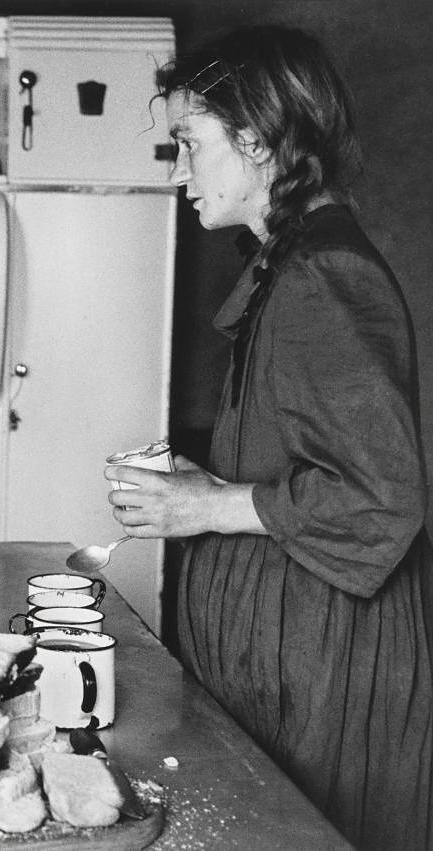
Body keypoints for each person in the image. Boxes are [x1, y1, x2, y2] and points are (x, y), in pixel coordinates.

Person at [104, 26, 432, 851]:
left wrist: (209, 504)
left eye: (189, 142)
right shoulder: (292, 263)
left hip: (331, 676)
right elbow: (303, 458)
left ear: (257, 138)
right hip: (295, 668)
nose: (177, 169)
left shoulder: (326, 275)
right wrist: (197, 483)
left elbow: (380, 502)